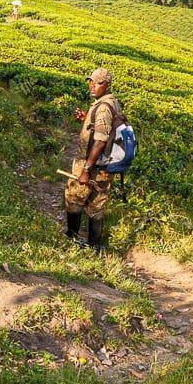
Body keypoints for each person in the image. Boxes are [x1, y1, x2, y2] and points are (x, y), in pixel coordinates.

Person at [63, 67, 124, 252]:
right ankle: (94, 245)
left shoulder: (103, 108)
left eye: (98, 83)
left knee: (74, 197)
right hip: (106, 164)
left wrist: (86, 169)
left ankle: (71, 237)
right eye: (91, 81)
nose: (93, 86)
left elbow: (99, 141)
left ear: (107, 85)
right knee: (97, 204)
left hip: (92, 164)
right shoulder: (112, 103)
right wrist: (86, 119)